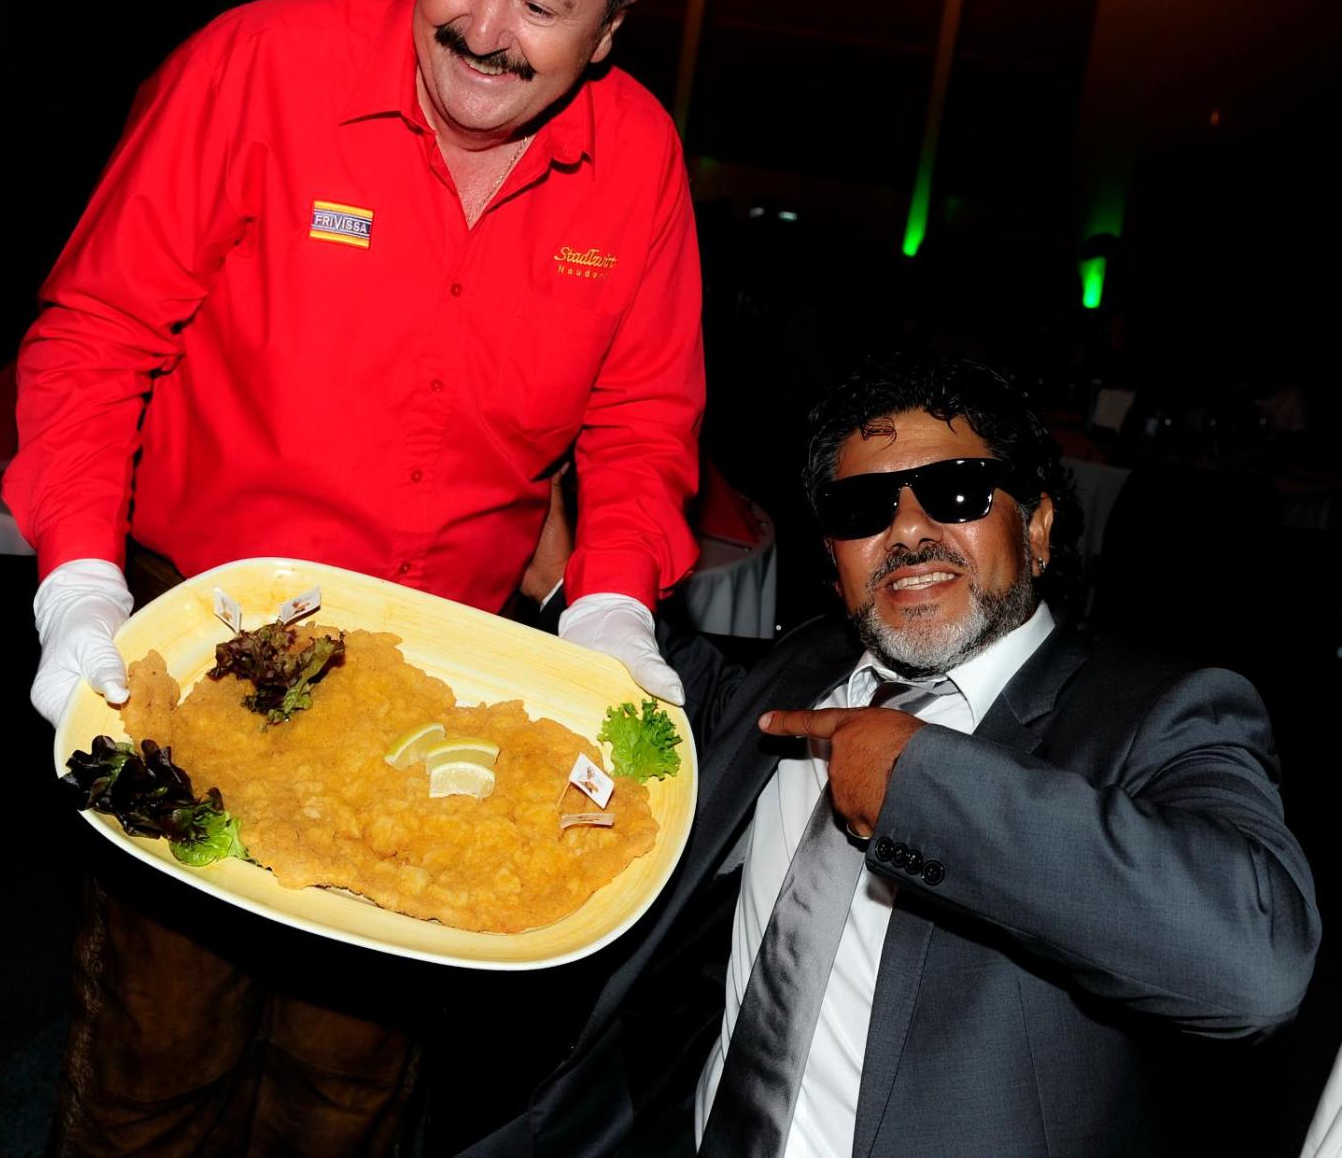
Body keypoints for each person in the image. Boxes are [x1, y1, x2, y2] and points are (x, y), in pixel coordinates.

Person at [6, 0, 702, 1153]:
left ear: (611, 27)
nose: (480, 30)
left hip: (430, 685)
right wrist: (77, 584)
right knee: (153, 1053)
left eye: (540, 6)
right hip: (202, 651)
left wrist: (614, 605)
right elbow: (95, 334)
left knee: (347, 1091)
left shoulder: (637, 162)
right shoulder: (256, 65)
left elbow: (638, 422)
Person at [463, 350, 1320, 1157]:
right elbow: (703, 706)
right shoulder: (808, 665)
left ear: (1038, 528)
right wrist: (571, 590)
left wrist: (921, 784)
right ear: (833, 561)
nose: (908, 531)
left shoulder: (1156, 713)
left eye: (956, 492)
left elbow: (1254, 967)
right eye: (861, 509)